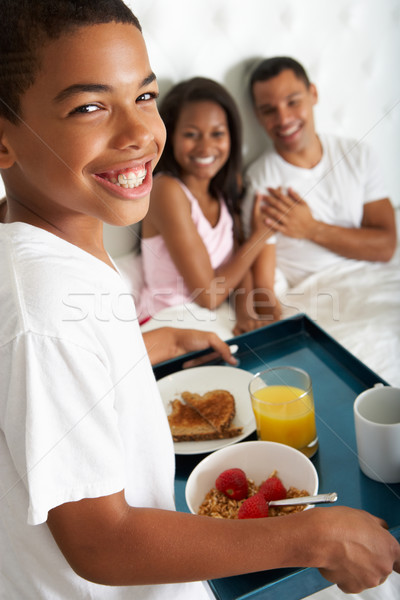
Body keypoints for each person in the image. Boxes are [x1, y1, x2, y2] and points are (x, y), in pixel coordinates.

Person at [0, 3, 399, 600]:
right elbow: (101, 542)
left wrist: (144, 346)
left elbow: (58, 374)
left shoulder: (55, 252)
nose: (140, 134)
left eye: (145, 95)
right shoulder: (44, 303)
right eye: (88, 107)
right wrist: (312, 536)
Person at [241, 56, 397, 306]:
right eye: (269, 110)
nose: (283, 119)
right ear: (257, 116)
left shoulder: (358, 155)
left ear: (313, 94)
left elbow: (386, 246)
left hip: (377, 282)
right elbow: (262, 282)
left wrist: (312, 228)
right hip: (320, 296)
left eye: (292, 102)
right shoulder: (262, 181)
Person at [139, 77, 277, 335]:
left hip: (206, 323)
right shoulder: (167, 191)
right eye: (191, 134)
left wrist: (246, 315)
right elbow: (209, 296)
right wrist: (261, 235)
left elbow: (238, 263)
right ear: (172, 135)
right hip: (167, 324)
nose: (206, 147)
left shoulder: (222, 190)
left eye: (217, 134)